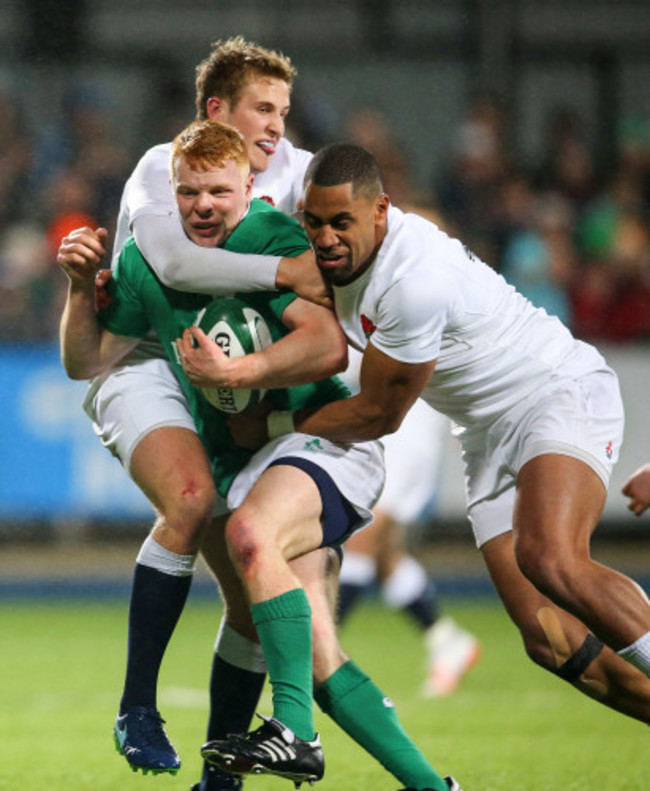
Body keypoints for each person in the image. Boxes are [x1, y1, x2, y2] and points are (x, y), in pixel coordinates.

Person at [58, 121, 462, 791]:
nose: (203, 206)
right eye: (189, 192)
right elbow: (86, 361)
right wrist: (79, 289)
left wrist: (234, 374)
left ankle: (294, 734)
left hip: (318, 439)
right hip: (243, 462)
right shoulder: (146, 261)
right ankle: (432, 788)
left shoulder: (273, 238)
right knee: (312, 652)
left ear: (249, 188)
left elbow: (326, 347)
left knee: (249, 534)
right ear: (172, 190)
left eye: (219, 191)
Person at [222, 142, 650, 731]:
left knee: (550, 558)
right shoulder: (331, 251)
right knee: (549, 642)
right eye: (314, 222)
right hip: (484, 433)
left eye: (341, 222)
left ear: (380, 211)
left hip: (553, 393)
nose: (325, 238)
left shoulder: (412, 280)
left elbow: (378, 415)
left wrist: (269, 427)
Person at [59, 37, 329, 787]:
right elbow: (175, 264)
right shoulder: (163, 165)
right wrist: (290, 269)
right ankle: (137, 709)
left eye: (282, 110)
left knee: (250, 595)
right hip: (144, 358)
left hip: (226, 380)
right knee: (190, 497)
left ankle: (221, 777)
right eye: (261, 108)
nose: (276, 124)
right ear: (216, 109)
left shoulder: (299, 172)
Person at [337, 353, 481, 698]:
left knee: (362, 538)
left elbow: (345, 360)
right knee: (384, 554)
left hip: (405, 436)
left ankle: (319, 643)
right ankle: (447, 640)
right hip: (394, 433)